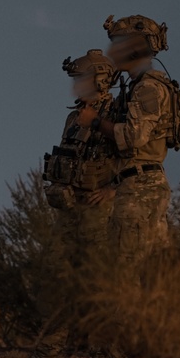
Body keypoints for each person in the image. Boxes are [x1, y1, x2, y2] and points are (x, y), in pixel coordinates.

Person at [78, 15, 175, 266]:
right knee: (149, 271)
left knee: (127, 269)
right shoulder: (136, 86)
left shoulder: (148, 88)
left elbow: (134, 137)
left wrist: (96, 122)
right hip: (136, 185)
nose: (113, 51)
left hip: (141, 189)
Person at [44, 49, 120, 259]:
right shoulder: (73, 117)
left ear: (100, 80)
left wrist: (112, 190)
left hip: (97, 208)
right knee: (54, 264)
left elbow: (133, 155)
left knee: (94, 268)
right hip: (69, 206)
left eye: (81, 80)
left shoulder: (116, 113)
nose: (76, 86)